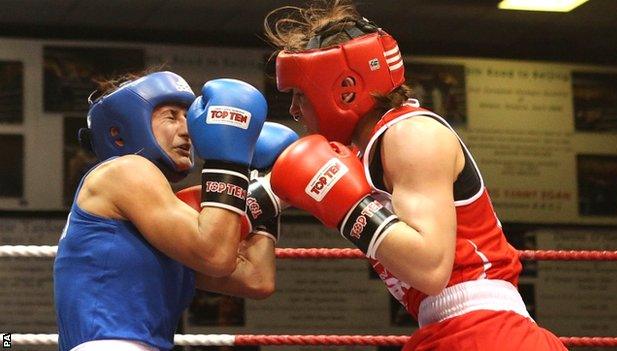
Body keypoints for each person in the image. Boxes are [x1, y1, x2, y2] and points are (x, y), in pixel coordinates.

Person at [263, 1, 568, 350]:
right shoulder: (361, 155)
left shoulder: (411, 134)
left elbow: (430, 268)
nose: (293, 110)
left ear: (344, 89)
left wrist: (350, 209)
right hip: (449, 329)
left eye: (301, 96)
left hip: (486, 330)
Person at [53, 71, 296, 351]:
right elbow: (215, 253)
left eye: (187, 116)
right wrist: (231, 162)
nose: (186, 129)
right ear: (120, 134)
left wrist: (272, 189)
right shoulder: (123, 170)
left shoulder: (164, 218)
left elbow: (255, 279)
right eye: (171, 116)